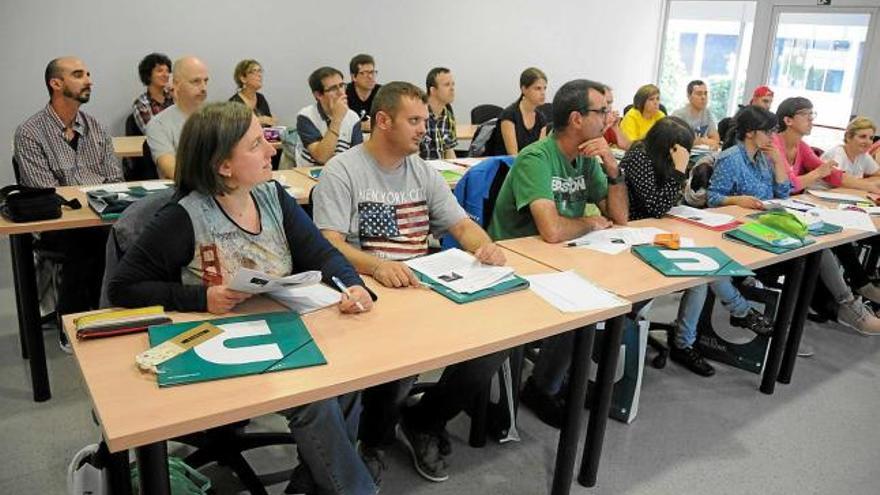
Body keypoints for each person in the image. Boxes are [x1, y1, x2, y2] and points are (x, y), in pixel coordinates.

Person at [107, 101, 377, 495]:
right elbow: (123, 287)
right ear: (224, 166)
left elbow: (324, 255)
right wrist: (201, 296)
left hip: (279, 329)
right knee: (316, 399)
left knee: (349, 374)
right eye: (256, 144)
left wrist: (353, 285)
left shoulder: (272, 197)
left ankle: (314, 479)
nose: (272, 149)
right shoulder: (184, 216)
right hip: (218, 339)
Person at [311, 81, 508, 484]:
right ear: (383, 121)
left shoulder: (422, 171)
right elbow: (327, 244)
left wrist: (483, 247)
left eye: (425, 120)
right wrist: (377, 265)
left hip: (421, 282)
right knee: (401, 362)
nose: (424, 129)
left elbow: (459, 224)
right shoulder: (342, 171)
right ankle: (375, 440)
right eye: (414, 120)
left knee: (496, 341)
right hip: (369, 291)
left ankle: (424, 419)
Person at [489, 79, 627, 426]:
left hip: (562, 257)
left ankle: (556, 377)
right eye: (602, 111)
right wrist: (591, 223)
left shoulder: (588, 157)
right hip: (518, 263)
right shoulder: (537, 157)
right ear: (578, 119)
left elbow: (620, 217)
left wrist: (612, 168)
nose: (609, 117)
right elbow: (551, 231)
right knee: (582, 303)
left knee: (615, 292)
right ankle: (544, 387)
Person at [621, 117, 771, 376]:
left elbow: (671, 203)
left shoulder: (664, 159)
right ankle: (737, 312)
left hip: (662, 230)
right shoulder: (638, 158)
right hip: (633, 235)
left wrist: (680, 172)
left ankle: (687, 341)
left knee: (702, 269)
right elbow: (657, 206)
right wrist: (680, 171)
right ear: (668, 146)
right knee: (701, 272)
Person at [711, 106, 880, 335]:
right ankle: (842, 307)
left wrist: (779, 162)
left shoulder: (763, 157)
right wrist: (736, 200)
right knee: (810, 255)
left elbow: (781, 193)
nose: (773, 137)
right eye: (768, 131)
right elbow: (712, 198)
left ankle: (847, 305)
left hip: (766, 223)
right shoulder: (731, 158)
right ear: (751, 133)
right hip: (741, 230)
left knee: (819, 248)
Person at [14, 56, 123, 352]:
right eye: (78, 74)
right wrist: (91, 199)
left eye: (88, 73)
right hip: (57, 224)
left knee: (121, 235)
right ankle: (73, 321)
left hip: (99, 217)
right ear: (56, 83)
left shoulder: (97, 128)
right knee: (87, 241)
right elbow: (43, 191)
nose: (89, 80)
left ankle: (109, 314)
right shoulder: (30, 132)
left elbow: (115, 179)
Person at [773, 97, 878, 194]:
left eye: (811, 114)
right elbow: (787, 185)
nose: (811, 119)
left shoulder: (802, 146)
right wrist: (818, 173)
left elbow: (833, 174)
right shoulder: (773, 143)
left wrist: (871, 187)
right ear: (788, 120)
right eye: (804, 114)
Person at [146, 56, 209, 179]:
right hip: (184, 193)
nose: (203, 88)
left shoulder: (219, 118)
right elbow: (173, 171)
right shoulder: (159, 125)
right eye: (195, 81)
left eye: (205, 81)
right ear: (176, 83)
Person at [295, 66, 363, 166]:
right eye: (333, 89)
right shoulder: (306, 116)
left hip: (341, 175)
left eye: (341, 85)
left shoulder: (353, 118)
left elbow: (356, 158)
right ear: (318, 95)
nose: (341, 92)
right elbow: (321, 157)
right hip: (309, 177)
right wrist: (337, 119)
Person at [495, 67, 548, 155]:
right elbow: (513, 155)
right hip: (509, 166)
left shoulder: (541, 119)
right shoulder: (509, 115)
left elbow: (539, 153)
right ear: (524, 89)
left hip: (530, 165)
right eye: (538, 88)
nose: (543, 93)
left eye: (544, 88)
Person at [420, 67, 457, 160]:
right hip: (422, 171)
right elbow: (411, 155)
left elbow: (449, 150)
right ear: (433, 90)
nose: (452, 89)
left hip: (441, 171)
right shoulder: (418, 115)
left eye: (453, 84)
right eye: (447, 85)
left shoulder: (448, 116)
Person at [132, 52, 174, 134]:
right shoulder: (141, 103)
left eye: (167, 71)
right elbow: (152, 132)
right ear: (148, 75)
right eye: (160, 71)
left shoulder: (174, 97)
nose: (166, 75)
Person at [671, 80, 720, 149]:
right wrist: (706, 141)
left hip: (702, 155)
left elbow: (716, 140)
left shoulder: (707, 113)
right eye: (699, 94)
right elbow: (677, 143)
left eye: (705, 93)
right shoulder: (678, 115)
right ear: (689, 96)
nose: (703, 97)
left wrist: (700, 140)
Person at [229, 59, 276, 127]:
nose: (259, 75)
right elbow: (233, 129)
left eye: (260, 71)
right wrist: (259, 120)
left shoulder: (261, 98)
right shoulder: (234, 103)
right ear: (243, 79)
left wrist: (271, 120)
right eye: (254, 71)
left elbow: (269, 124)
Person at [346, 53, 381, 130]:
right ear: (354, 77)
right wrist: (360, 126)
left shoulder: (382, 93)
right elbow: (338, 123)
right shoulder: (344, 94)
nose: (370, 77)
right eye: (365, 73)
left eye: (372, 72)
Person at [602, 85, 631, 151]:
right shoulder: (586, 122)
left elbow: (627, 146)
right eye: (607, 102)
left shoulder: (607, 122)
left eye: (610, 103)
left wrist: (615, 127)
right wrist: (606, 126)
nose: (610, 108)